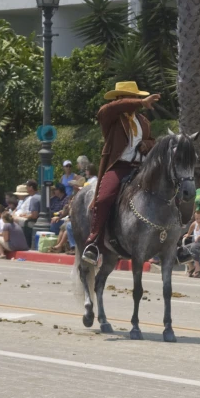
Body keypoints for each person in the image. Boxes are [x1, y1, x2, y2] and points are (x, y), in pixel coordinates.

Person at [82, 81, 159, 265]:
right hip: (118, 167)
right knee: (103, 199)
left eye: (136, 97)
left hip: (141, 168)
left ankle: (177, 243)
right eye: (129, 98)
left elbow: (151, 140)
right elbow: (111, 108)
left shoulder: (143, 121)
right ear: (118, 99)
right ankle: (93, 243)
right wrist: (140, 103)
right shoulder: (109, 116)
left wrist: (146, 145)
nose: (135, 101)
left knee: (169, 189)